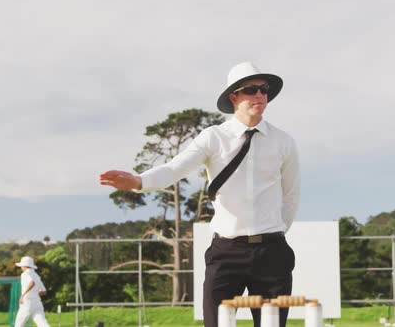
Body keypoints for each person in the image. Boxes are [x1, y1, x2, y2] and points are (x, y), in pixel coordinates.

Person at [100, 62, 300, 327]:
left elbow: (291, 195)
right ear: (234, 97)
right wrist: (139, 181)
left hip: (272, 253)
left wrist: (273, 233)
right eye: (251, 90)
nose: (260, 96)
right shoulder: (213, 138)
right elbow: (174, 169)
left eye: (264, 90)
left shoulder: (283, 141)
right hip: (227, 251)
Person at [14, 256, 50, 327]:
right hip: (37, 303)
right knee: (42, 324)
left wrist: (22, 295)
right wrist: (34, 294)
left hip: (27, 303)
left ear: (25, 266)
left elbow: (31, 282)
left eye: (21, 265)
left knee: (18, 324)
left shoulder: (24, 274)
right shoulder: (37, 276)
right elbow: (44, 291)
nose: (21, 267)